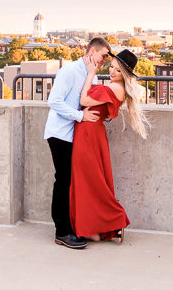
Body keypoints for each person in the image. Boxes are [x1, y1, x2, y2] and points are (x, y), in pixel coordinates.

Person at [69, 49, 150, 244]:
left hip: (88, 133)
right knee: (92, 181)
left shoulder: (114, 88)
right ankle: (94, 228)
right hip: (92, 132)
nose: (112, 72)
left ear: (126, 75)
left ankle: (116, 219)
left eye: (118, 70)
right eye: (112, 67)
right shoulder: (116, 88)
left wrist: (90, 73)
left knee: (87, 181)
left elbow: (83, 100)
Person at [44, 37, 111, 249]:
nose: (103, 62)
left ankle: (75, 227)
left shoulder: (92, 76)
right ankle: (62, 232)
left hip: (76, 136)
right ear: (91, 52)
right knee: (63, 181)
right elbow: (54, 101)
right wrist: (80, 117)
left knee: (74, 183)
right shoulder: (70, 71)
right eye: (102, 57)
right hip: (60, 134)